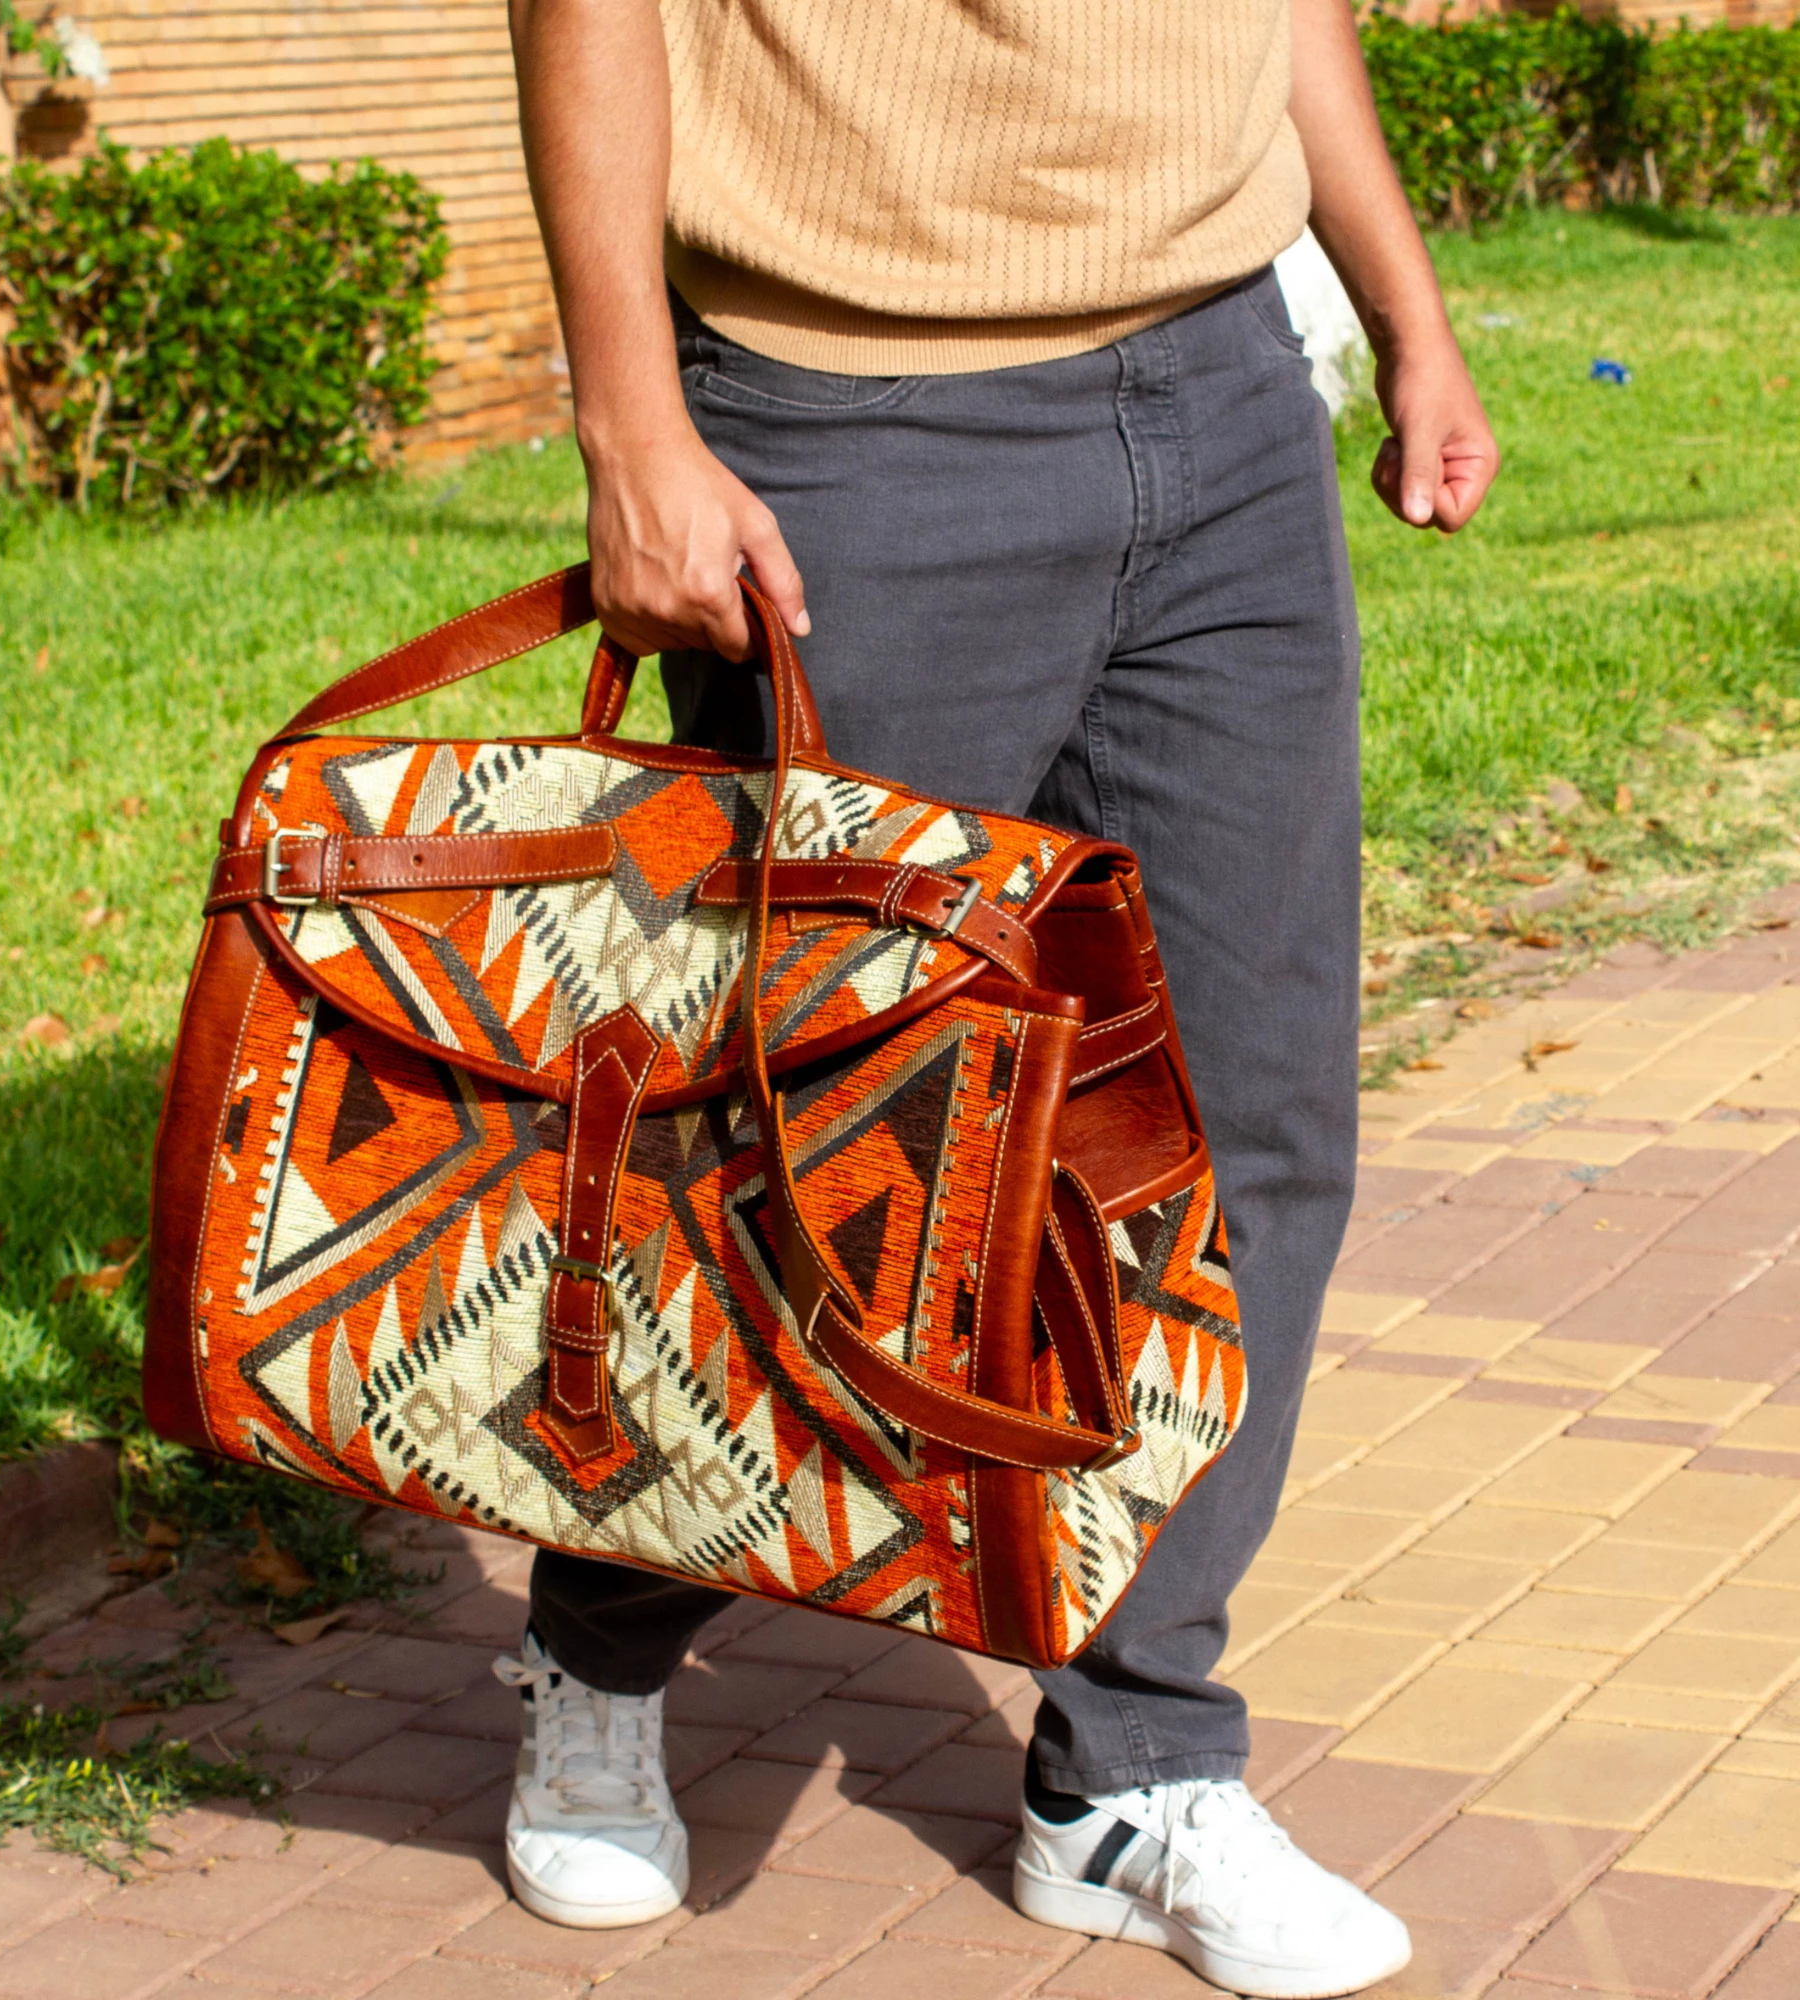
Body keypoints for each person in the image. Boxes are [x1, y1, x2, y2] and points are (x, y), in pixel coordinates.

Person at [494, 2, 1498, 1991]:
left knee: (1239, 1121)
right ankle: (601, 1645)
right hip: (854, 420)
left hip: (1218, 394)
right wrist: (629, 418)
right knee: (801, 1125)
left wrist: (1404, 308)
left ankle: (1130, 1765)